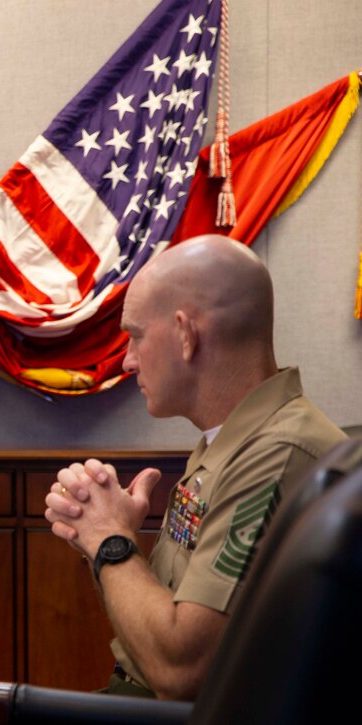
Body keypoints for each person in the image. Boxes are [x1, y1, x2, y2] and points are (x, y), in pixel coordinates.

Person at [44, 235, 345, 700]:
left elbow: (181, 672)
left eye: (136, 336)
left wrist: (109, 540)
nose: (126, 360)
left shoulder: (274, 455)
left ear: (186, 335)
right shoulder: (230, 440)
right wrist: (103, 535)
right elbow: (159, 628)